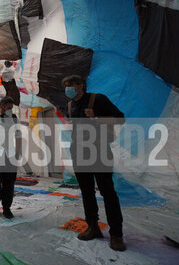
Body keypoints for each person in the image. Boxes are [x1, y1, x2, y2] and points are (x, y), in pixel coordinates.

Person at [62, 75, 126, 252]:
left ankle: (116, 235)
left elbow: (121, 119)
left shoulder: (97, 99)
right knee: (87, 192)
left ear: (81, 85)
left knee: (108, 192)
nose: (68, 88)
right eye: (65, 86)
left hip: (99, 152)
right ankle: (93, 228)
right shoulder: (69, 105)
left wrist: (97, 117)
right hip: (79, 153)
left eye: (71, 85)